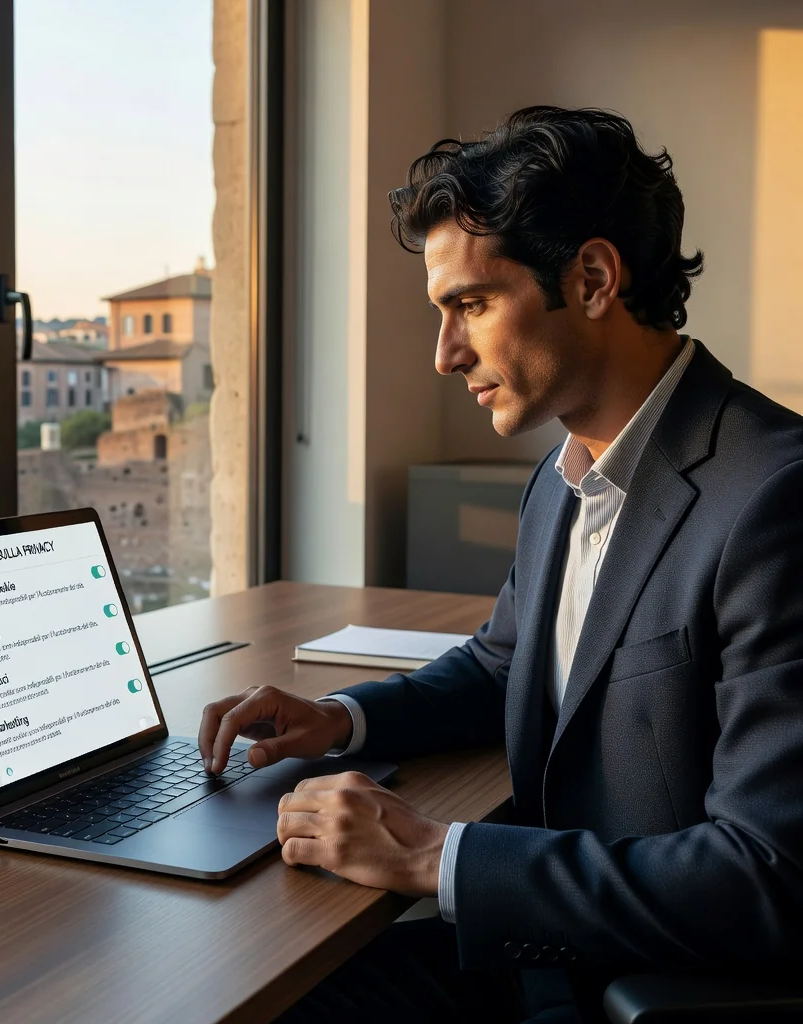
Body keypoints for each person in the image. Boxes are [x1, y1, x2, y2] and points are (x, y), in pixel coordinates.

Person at [198, 107, 803, 1023]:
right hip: (543, 940)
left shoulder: (774, 500)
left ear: (593, 278)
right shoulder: (563, 479)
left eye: (470, 306)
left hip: (639, 982)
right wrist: (341, 719)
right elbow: (505, 662)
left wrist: (430, 856)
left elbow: (770, 876)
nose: (445, 355)